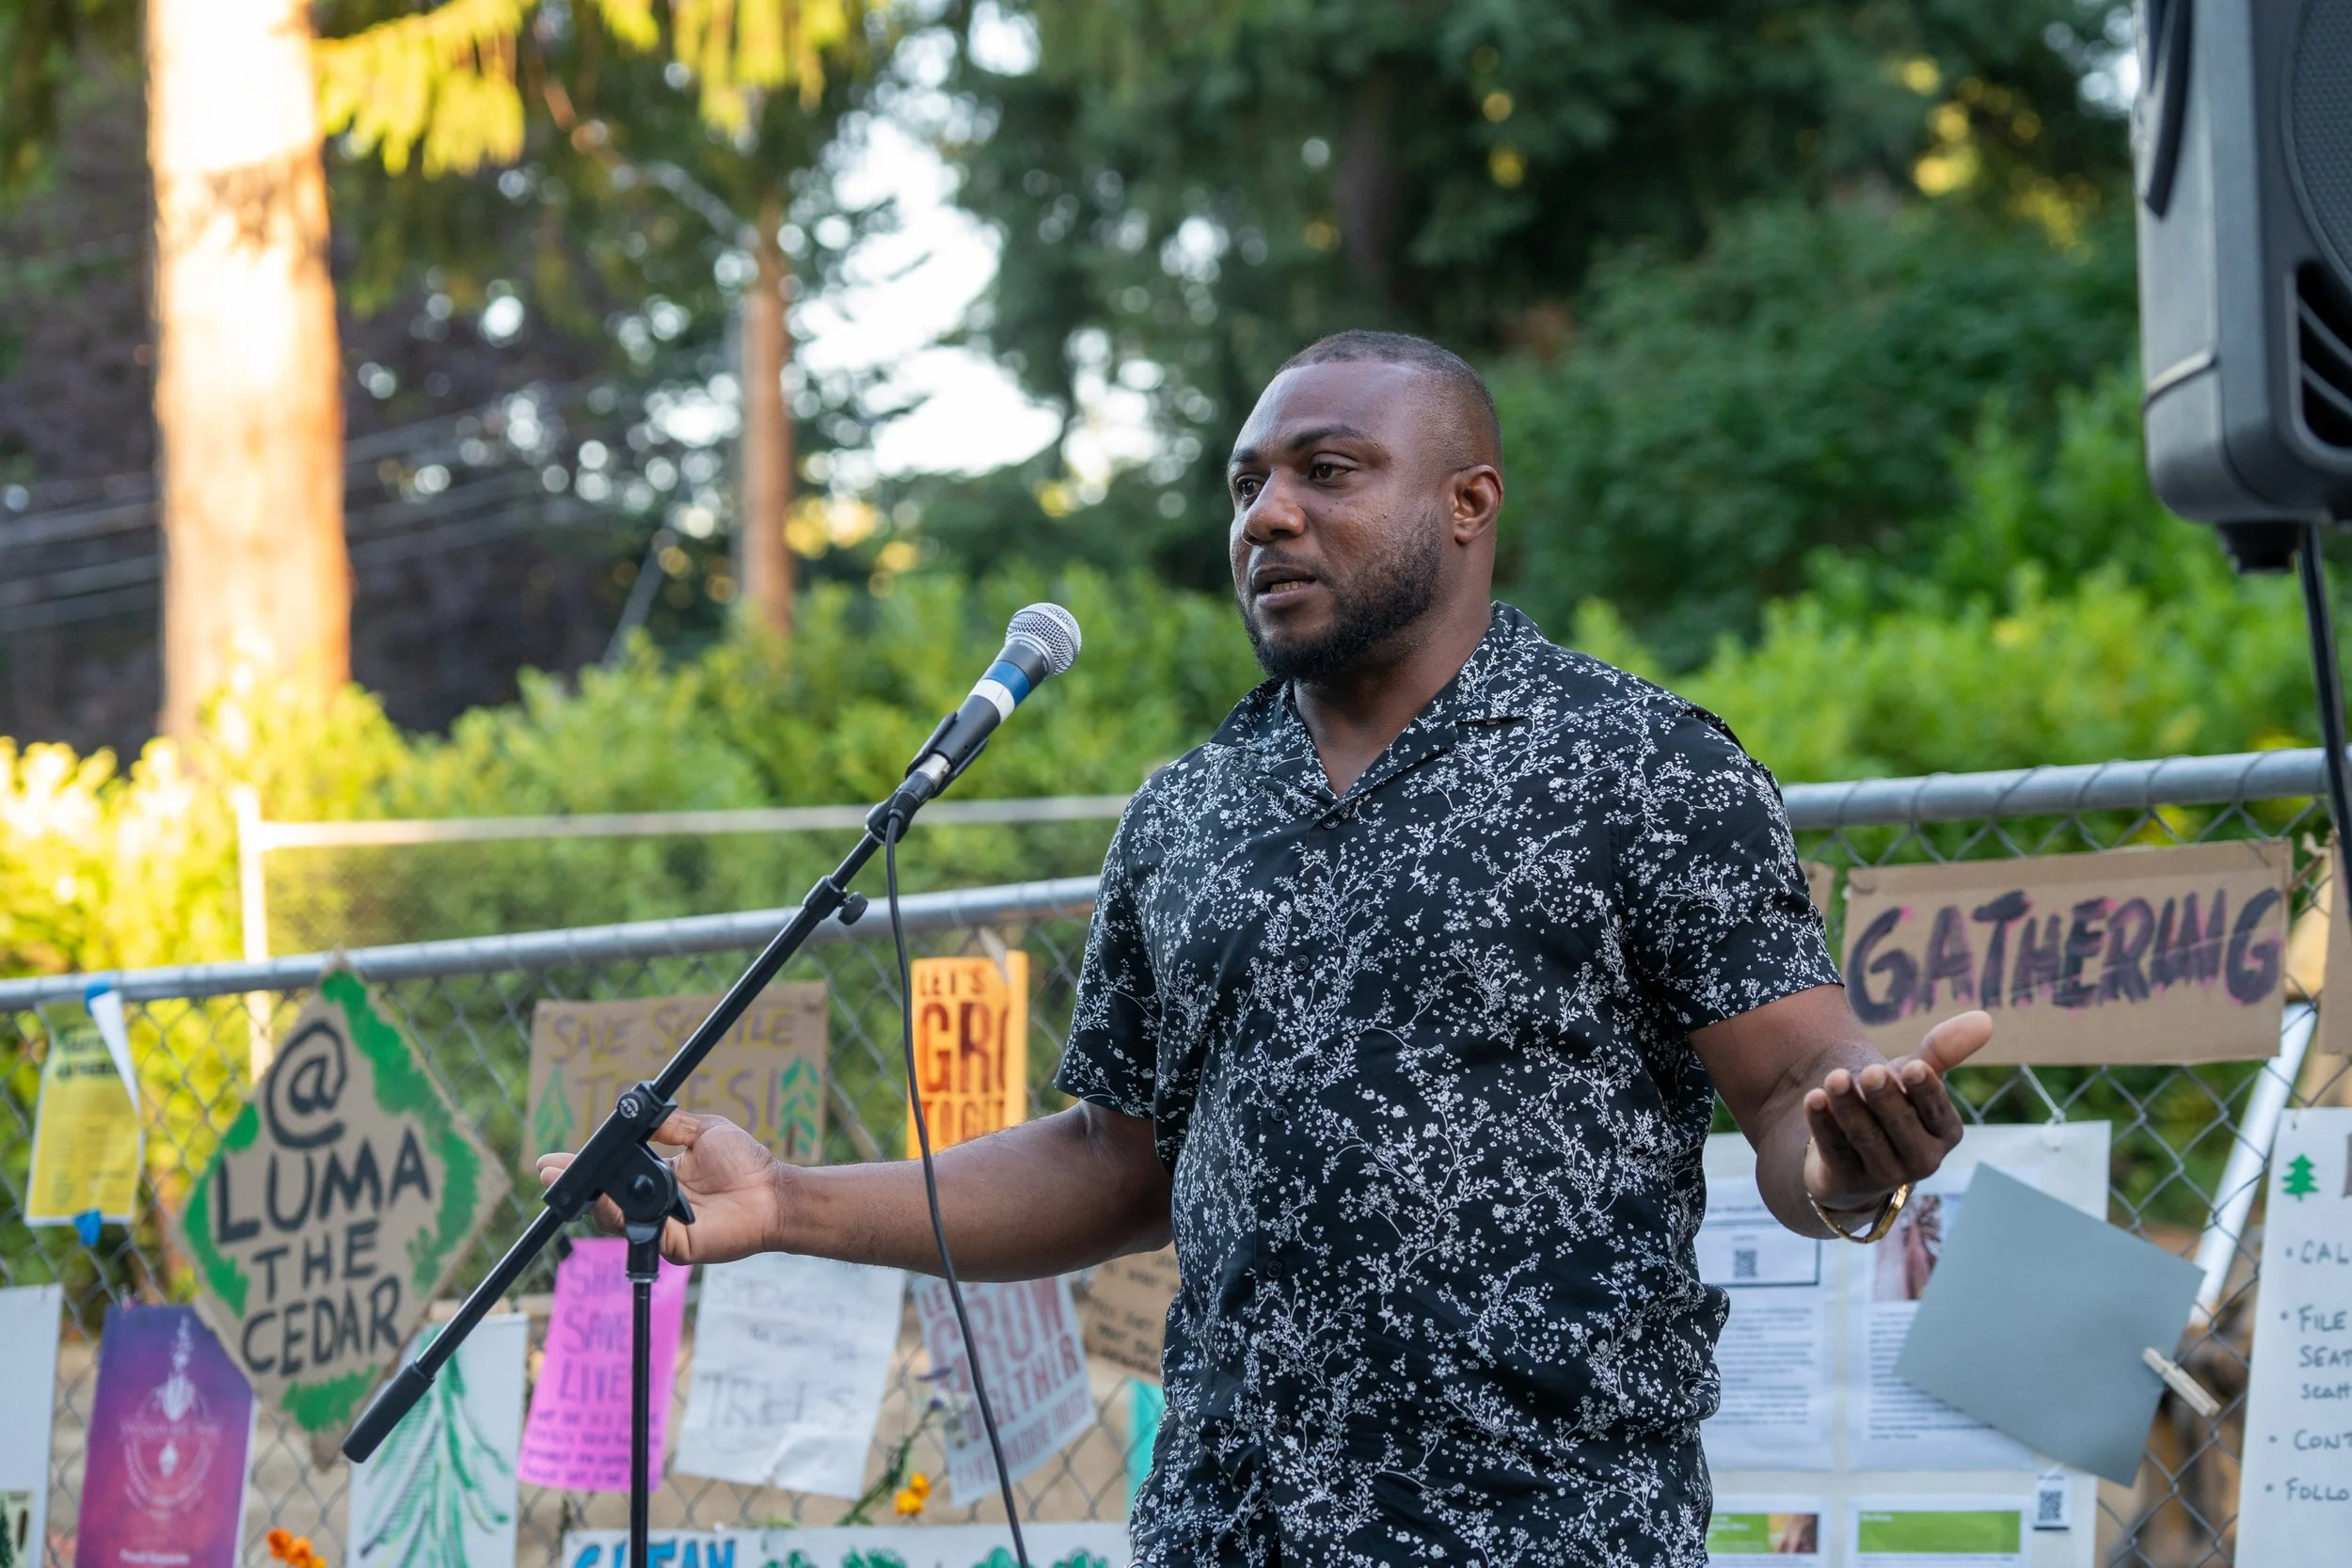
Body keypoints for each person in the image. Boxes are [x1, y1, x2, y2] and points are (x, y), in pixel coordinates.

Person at [539, 330, 1992, 1565]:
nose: (1268, 516)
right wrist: (790, 1197)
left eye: (1327, 472)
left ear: (1470, 501)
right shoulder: (1187, 813)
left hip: (1544, 1522)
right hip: (1224, 1523)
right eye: (1247, 484)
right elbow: (1116, 1159)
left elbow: (1799, 1087)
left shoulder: (1638, 767)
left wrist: (1852, 1159)